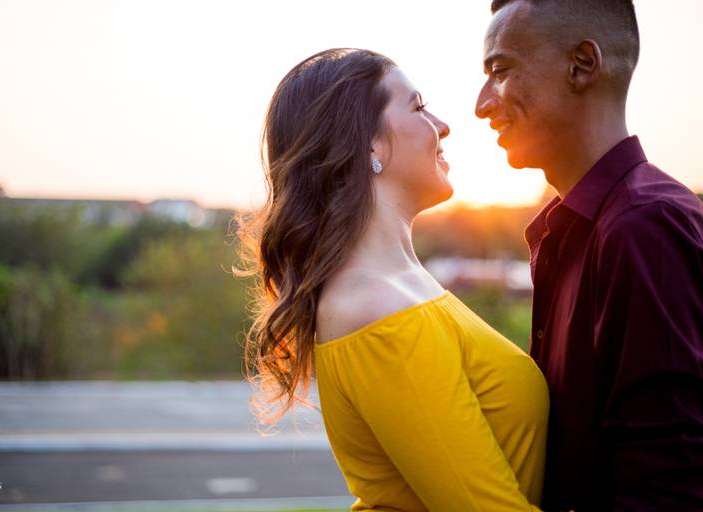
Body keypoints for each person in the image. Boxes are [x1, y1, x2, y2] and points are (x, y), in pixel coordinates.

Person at [237, 47, 548, 511]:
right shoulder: (376, 307)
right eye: (419, 107)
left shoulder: (403, 285)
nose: (442, 125)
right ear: (369, 145)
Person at [475, 1, 703, 510]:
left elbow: (667, 485)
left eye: (500, 70)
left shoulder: (644, 226)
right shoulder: (572, 230)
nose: (482, 103)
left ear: (582, 64)